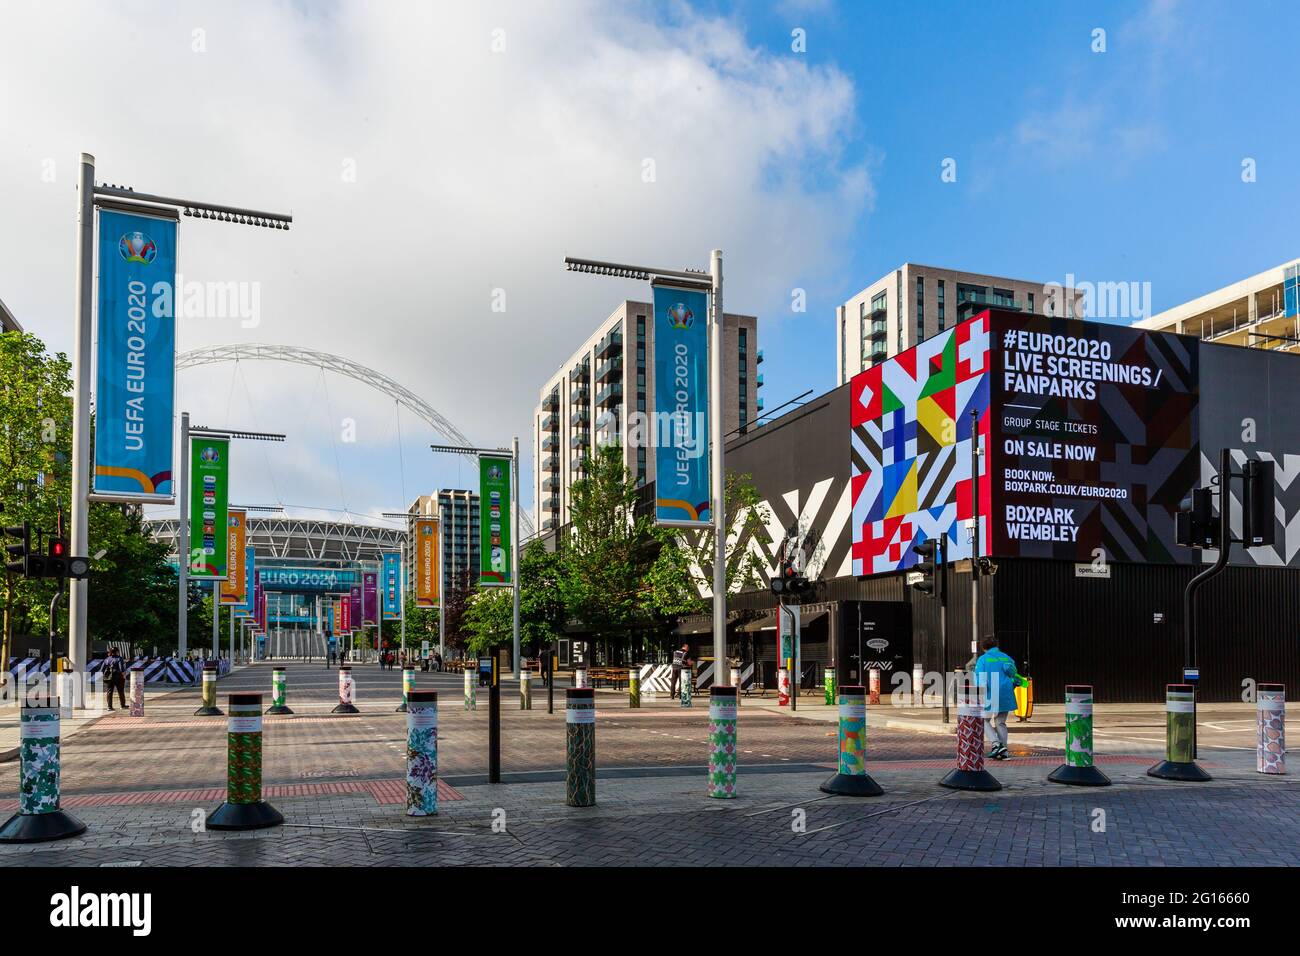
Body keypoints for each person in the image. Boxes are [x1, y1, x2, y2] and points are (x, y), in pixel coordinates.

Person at [973, 637, 1024, 760]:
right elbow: (1015, 675)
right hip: (1005, 693)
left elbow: (980, 679)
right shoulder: (1006, 657)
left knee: (983, 720)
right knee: (1000, 722)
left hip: (991, 693)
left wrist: (979, 695)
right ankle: (1004, 751)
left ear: (984, 648)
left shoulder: (983, 660)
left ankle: (996, 744)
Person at [102, 647, 127, 711]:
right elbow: (121, 669)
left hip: (109, 678)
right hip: (118, 677)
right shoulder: (119, 658)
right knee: (120, 691)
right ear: (116, 652)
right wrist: (123, 675)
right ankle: (122, 705)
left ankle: (109, 707)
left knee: (109, 692)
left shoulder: (106, 659)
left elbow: (102, 669)